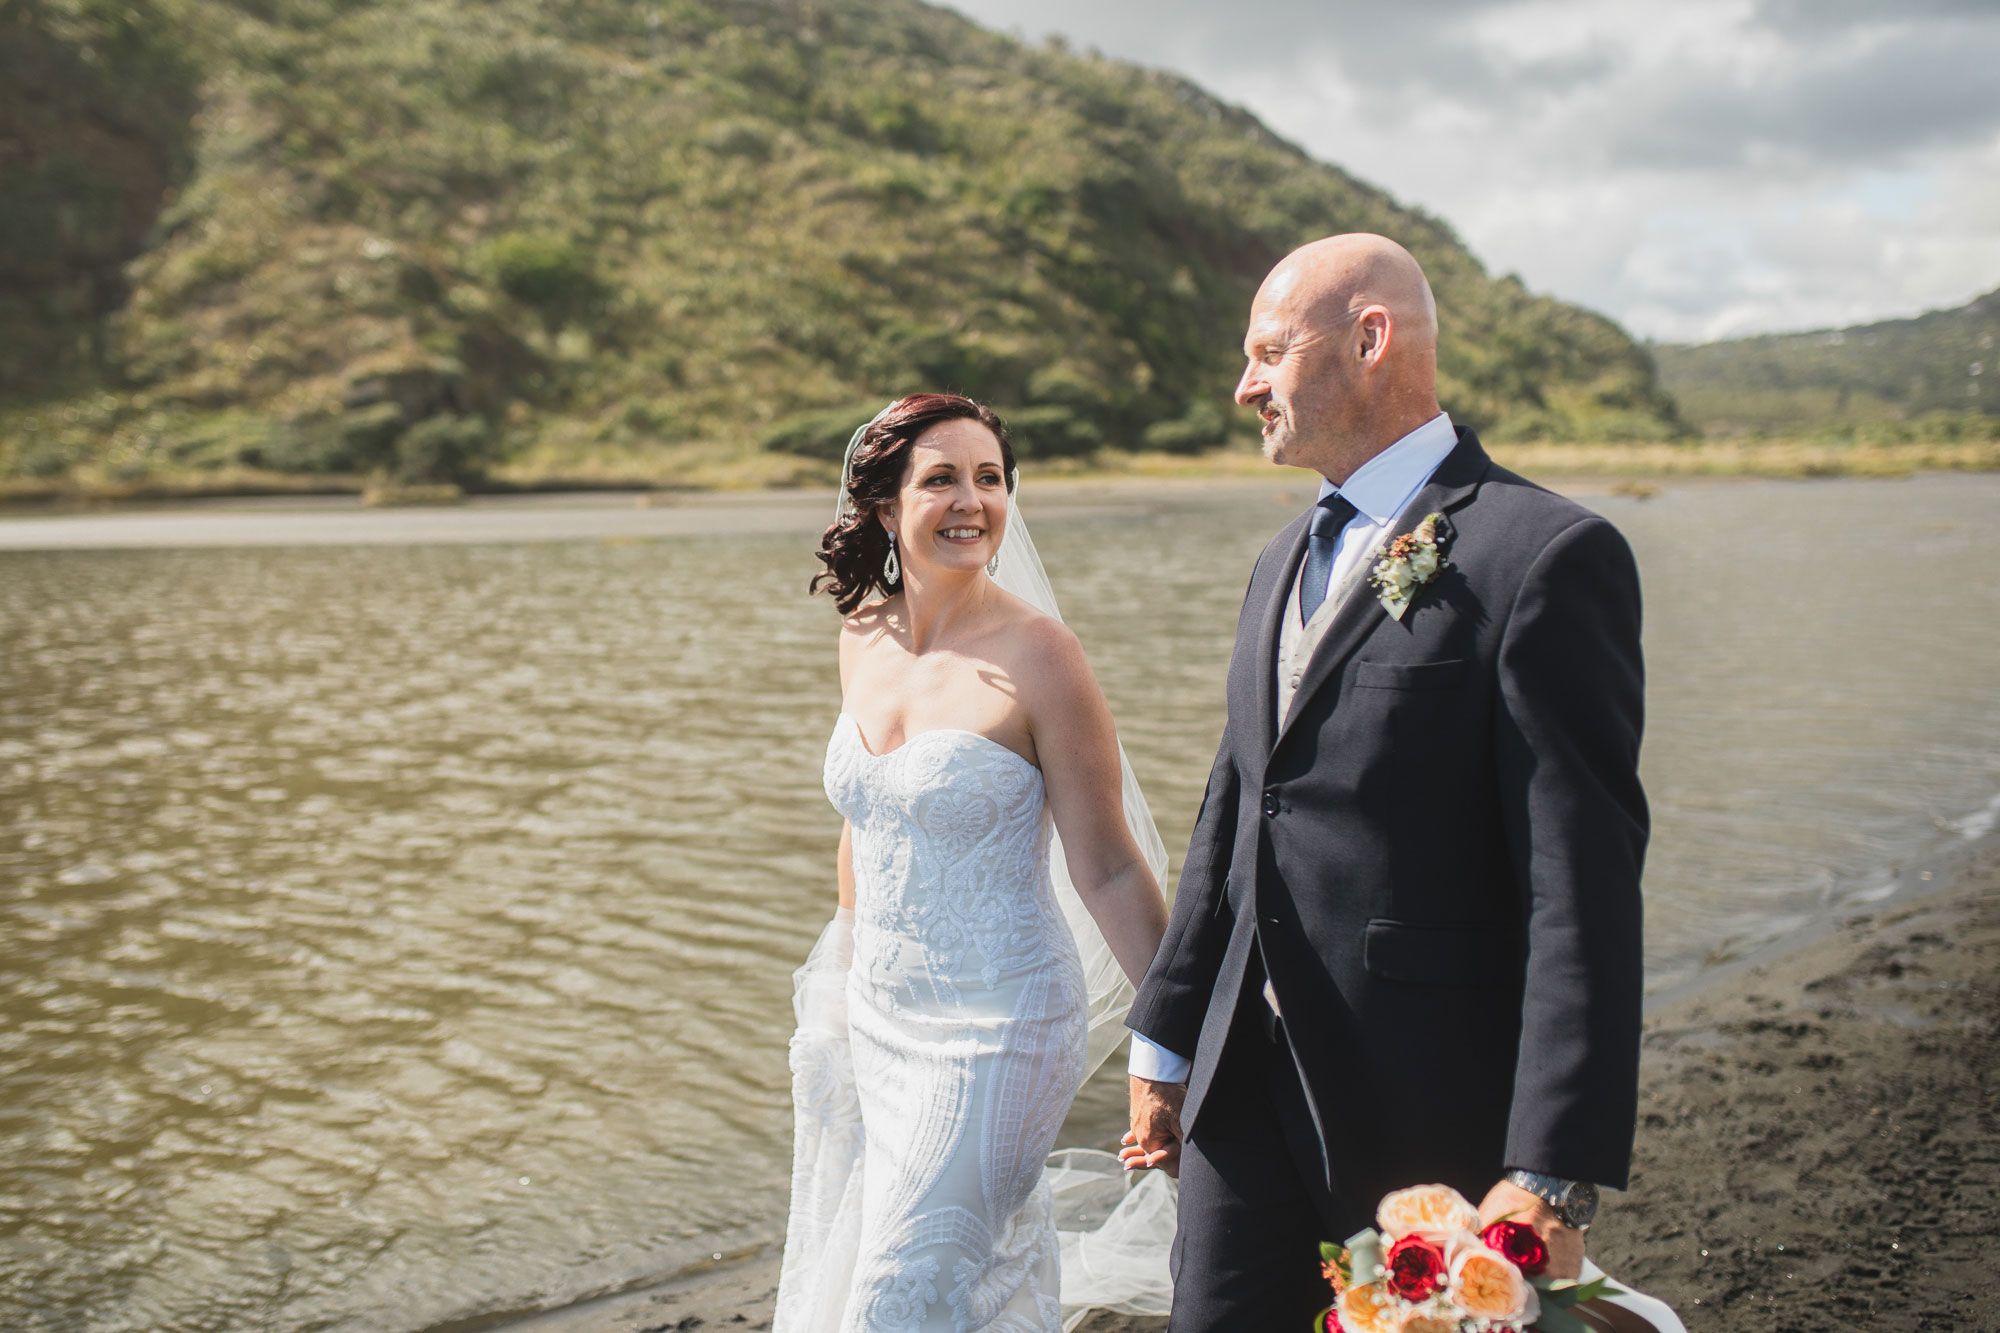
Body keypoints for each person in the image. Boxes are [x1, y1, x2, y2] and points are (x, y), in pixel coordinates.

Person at [1119, 234, 1650, 1330]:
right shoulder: (1277, 561)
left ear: (1368, 339)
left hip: (1424, 1098)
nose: (1242, 386)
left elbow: (1581, 886)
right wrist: (1166, 1041)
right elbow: (1234, 808)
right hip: (1242, 1090)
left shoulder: (1542, 556)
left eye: (1267, 352)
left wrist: (1549, 1168)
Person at [774, 393, 1174, 1333]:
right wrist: (839, 973)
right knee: (943, 1280)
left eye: (990, 478)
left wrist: (1178, 1034)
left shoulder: (1044, 657)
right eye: (942, 478)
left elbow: (1110, 867)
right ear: (884, 505)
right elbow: (865, 822)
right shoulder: (862, 637)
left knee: (895, 1297)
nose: (972, 501)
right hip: (880, 1014)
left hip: (1001, 1029)